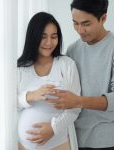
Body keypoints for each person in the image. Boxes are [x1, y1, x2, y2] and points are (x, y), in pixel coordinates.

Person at [46, 0, 114, 149]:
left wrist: (78, 101)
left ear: (103, 18)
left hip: (108, 140)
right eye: (75, 23)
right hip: (74, 139)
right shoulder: (73, 50)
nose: (80, 30)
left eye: (86, 24)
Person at [17, 12, 81, 150]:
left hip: (58, 144)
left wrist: (53, 128)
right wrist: (31, 96)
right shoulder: (21, 68)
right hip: (22, 146)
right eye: (43, 37)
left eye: (54, 36)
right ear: (33, 37)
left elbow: (75, 107)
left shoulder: (67, 65)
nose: (49, 42)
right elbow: (10, 106)